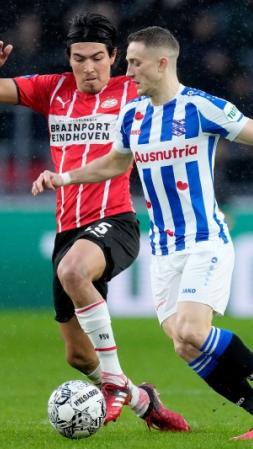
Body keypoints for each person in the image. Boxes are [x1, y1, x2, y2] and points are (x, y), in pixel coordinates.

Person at [32, 25, 253, 441]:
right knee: (183, 345)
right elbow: (116, 163)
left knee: (192, 331)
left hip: (205, 240)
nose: (127, 70)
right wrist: (65, 177)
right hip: (164, 249)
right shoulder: (133, 115)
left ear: (161, 63)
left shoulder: (202, 107)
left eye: (134, 62)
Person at [0, 16, 190, 431]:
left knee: (73, 270)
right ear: (68, 59)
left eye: (98, 58)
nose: (88, 68)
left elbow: (187, 108)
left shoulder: (132, 91)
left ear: (115, 58)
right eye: (79, 59)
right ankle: (144, 401)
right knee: (78, 357)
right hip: (68, 229)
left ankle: (114, 386)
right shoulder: (53, 90)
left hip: (116, 220)